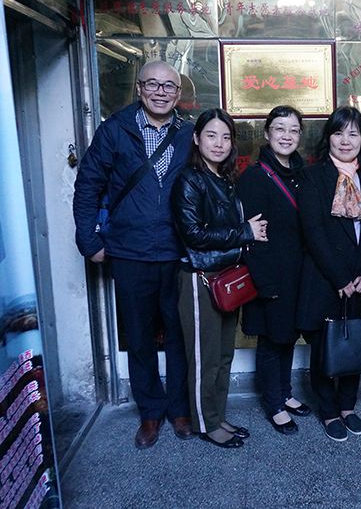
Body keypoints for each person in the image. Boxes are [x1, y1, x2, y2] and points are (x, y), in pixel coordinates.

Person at [73, 60, 194, 449]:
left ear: (178, 94)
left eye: (169, 86)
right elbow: (88, 185)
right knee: (140, 337)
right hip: (130, 251)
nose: (160, 92)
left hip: (178, 251)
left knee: (180, 334)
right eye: (152, 84)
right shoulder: (115, 129)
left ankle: (180, 408)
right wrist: (89, 241)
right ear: (139, 88)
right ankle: (150, 412)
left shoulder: (188, 132)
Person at [171, 108, 266, 448]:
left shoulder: (224, 178)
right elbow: (194, 234)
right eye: (211, 135)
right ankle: (205, 423)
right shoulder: (189, 180)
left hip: (224, 276)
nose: (219, 143)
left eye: (226, 137)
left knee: (224, 355)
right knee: (204, 358)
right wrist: (245, 232)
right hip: (200, 279)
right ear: (197, 139)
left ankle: (217, 415)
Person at [295, 106, 361, 442]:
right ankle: (329, 410)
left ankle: (348, 406)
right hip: (326, 279)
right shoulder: (312, 176)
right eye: (338, 133)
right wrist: (340, 278)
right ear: (328, 138)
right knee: (325, 347)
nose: (345, 140)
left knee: (355, 343)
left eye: (353, 133)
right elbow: (313, 232)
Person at [238, 106, 311, 435]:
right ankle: (274, 404)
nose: (286, 135)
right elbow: (254, 238)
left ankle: (285, 392)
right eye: (279, 128)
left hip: (297, 275)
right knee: (270, 340)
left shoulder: (301, 174)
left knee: (288, 336)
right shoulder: (254, 177)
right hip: (269, 276)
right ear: (267, 133)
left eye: (293, 130)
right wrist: (266, 284)